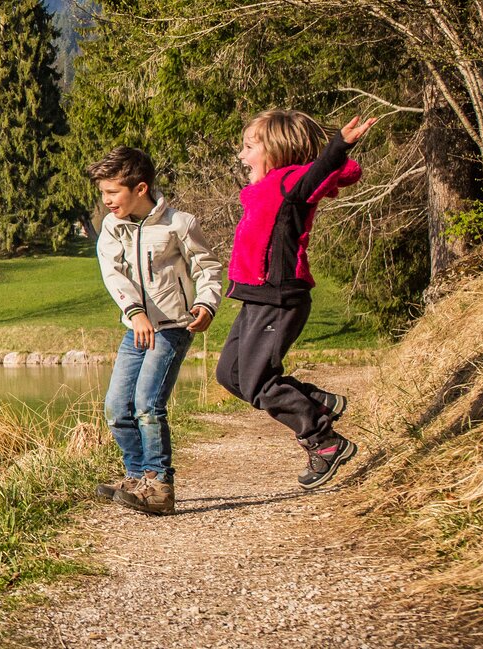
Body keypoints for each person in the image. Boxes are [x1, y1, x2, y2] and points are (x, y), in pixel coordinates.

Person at [217, 111, 375, 489]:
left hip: (280, 297)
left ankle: (323, 441)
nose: (241, 156)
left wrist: (340, 144)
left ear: (276, 150)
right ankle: (316, 401)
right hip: (256, 298)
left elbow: (320, 172)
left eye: (249, 147)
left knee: (256, 382)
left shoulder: (291, 183)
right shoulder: (266, 189)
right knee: (230, 375)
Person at [89, 146, 223, 515]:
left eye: (112, 192)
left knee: (148, 404)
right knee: (117, 407)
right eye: (102, 193)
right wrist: (134, 313)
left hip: (173, 327)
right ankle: (135, 476)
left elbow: (207, 268)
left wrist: (207, 303)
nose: (106, 201)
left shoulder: (179, 224)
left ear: (141, 188)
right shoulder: (111, 228)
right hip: (137, 328)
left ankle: (160, 484)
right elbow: (112, 273)